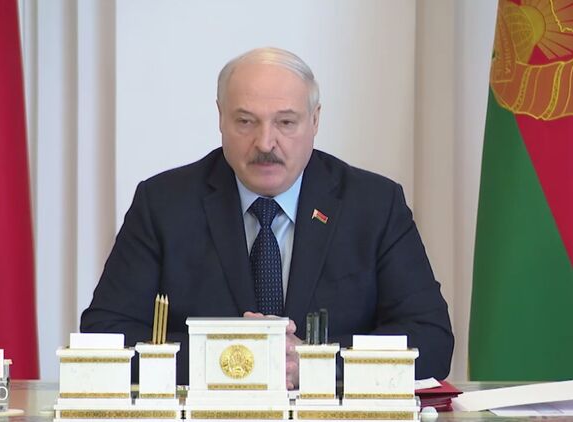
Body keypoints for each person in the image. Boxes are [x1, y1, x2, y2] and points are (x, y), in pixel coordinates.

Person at [81, 47, 453, 388]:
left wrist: (318, 363)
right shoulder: (164, 204)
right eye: (246, 122)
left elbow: (431, 341)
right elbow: (104, 336)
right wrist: (234, 357)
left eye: (286, 123)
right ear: (220, 118)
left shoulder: (374, 205)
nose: (265, 143)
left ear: (315, 121)